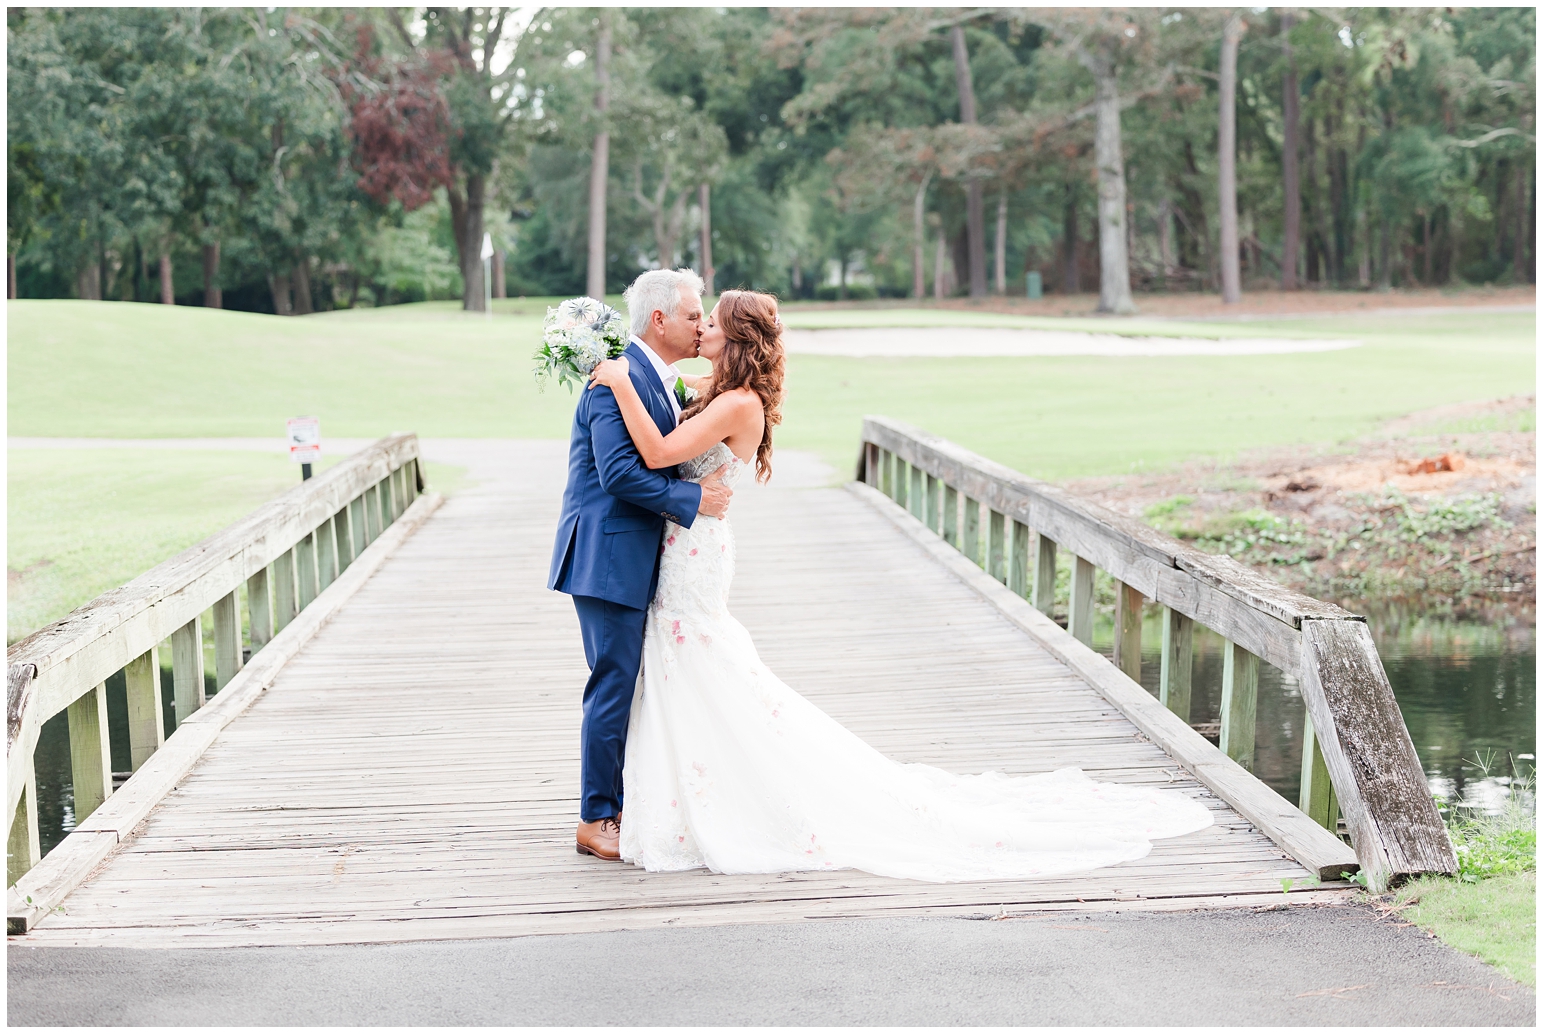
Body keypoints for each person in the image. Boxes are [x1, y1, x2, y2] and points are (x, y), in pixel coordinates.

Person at [586, 289, 1213, 881]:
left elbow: (663, 451)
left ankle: (738, 794)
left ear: (737, 335)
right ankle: (682, 793)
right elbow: (671, 384)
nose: (704, 328)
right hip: (687, 543)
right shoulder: (719, 388)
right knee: (684, 664)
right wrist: (631, 365)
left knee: (704, 661)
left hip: (695, 552)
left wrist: (617, 381)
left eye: (713, 320)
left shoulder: (736, 402)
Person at [548, 268, 734, 862]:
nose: (700, 324)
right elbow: (620, 475)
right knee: (614, 684)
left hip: (634, 555)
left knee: (628, 683)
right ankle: (596, 817)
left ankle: (622, 803)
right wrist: (694, 501)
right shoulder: (615, 381)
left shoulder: (655, 379)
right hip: (606, 555)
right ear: (659, 320)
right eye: (691, 315)